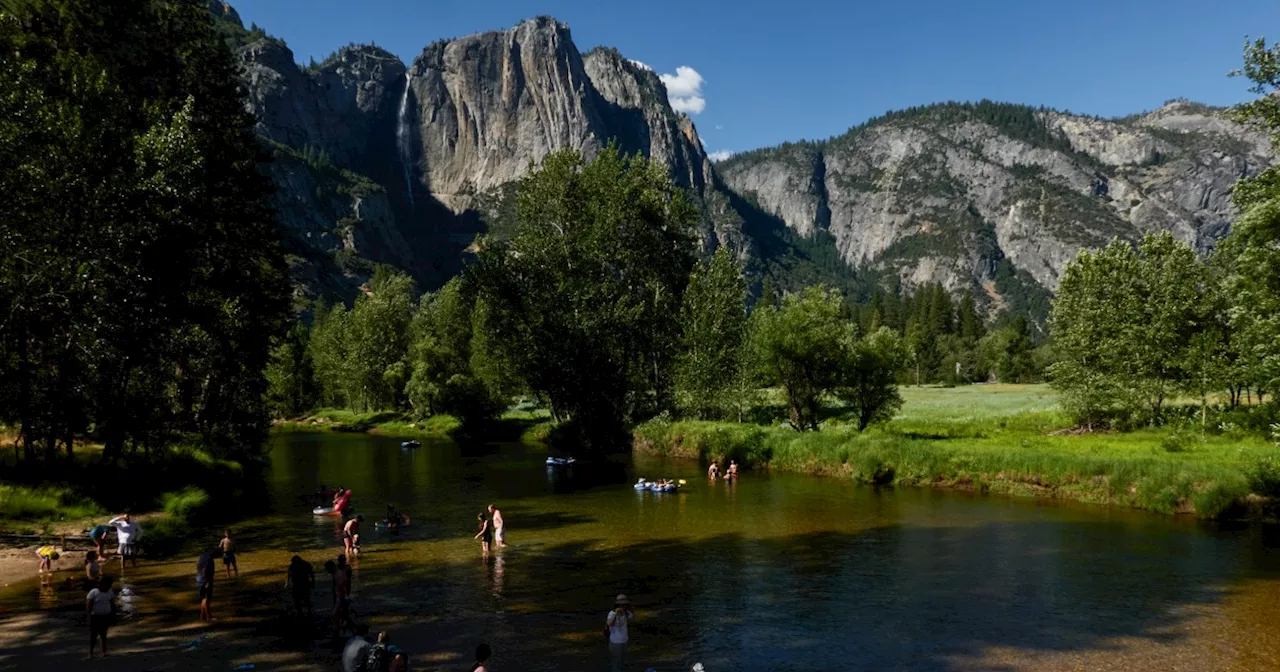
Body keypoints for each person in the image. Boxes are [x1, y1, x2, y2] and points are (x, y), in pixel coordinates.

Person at [86, 576, 117, 658]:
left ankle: (104, 652)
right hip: (95, 617)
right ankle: (90, 653)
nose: (109, 587)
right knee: (93, 635)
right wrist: (89, 617)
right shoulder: (93, 592)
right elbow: (89, 606)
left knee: (103, 635)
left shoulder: (110, 592)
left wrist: (113, 615)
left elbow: (112, 604)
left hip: (105, 616)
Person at [606, 593, 634, 672]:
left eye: (625, 605)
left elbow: (633, 619)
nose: (623, 606)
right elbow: (609, 623)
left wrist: (630, 609)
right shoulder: (612, 613)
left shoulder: (627, 613)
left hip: (624, 641)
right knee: (616, 661)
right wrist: (615, 614)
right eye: (622, 605)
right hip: (615, 642)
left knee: (623, 661)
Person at [196, 546, 217, 622]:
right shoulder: (209, 558)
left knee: (203, 598)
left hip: (198, 578)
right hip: (205, 579)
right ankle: (209, 617)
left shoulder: (202, 556)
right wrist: (206, 581)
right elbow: (205, 570)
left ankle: (202, 617)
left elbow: (198, 565)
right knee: (207, 599)